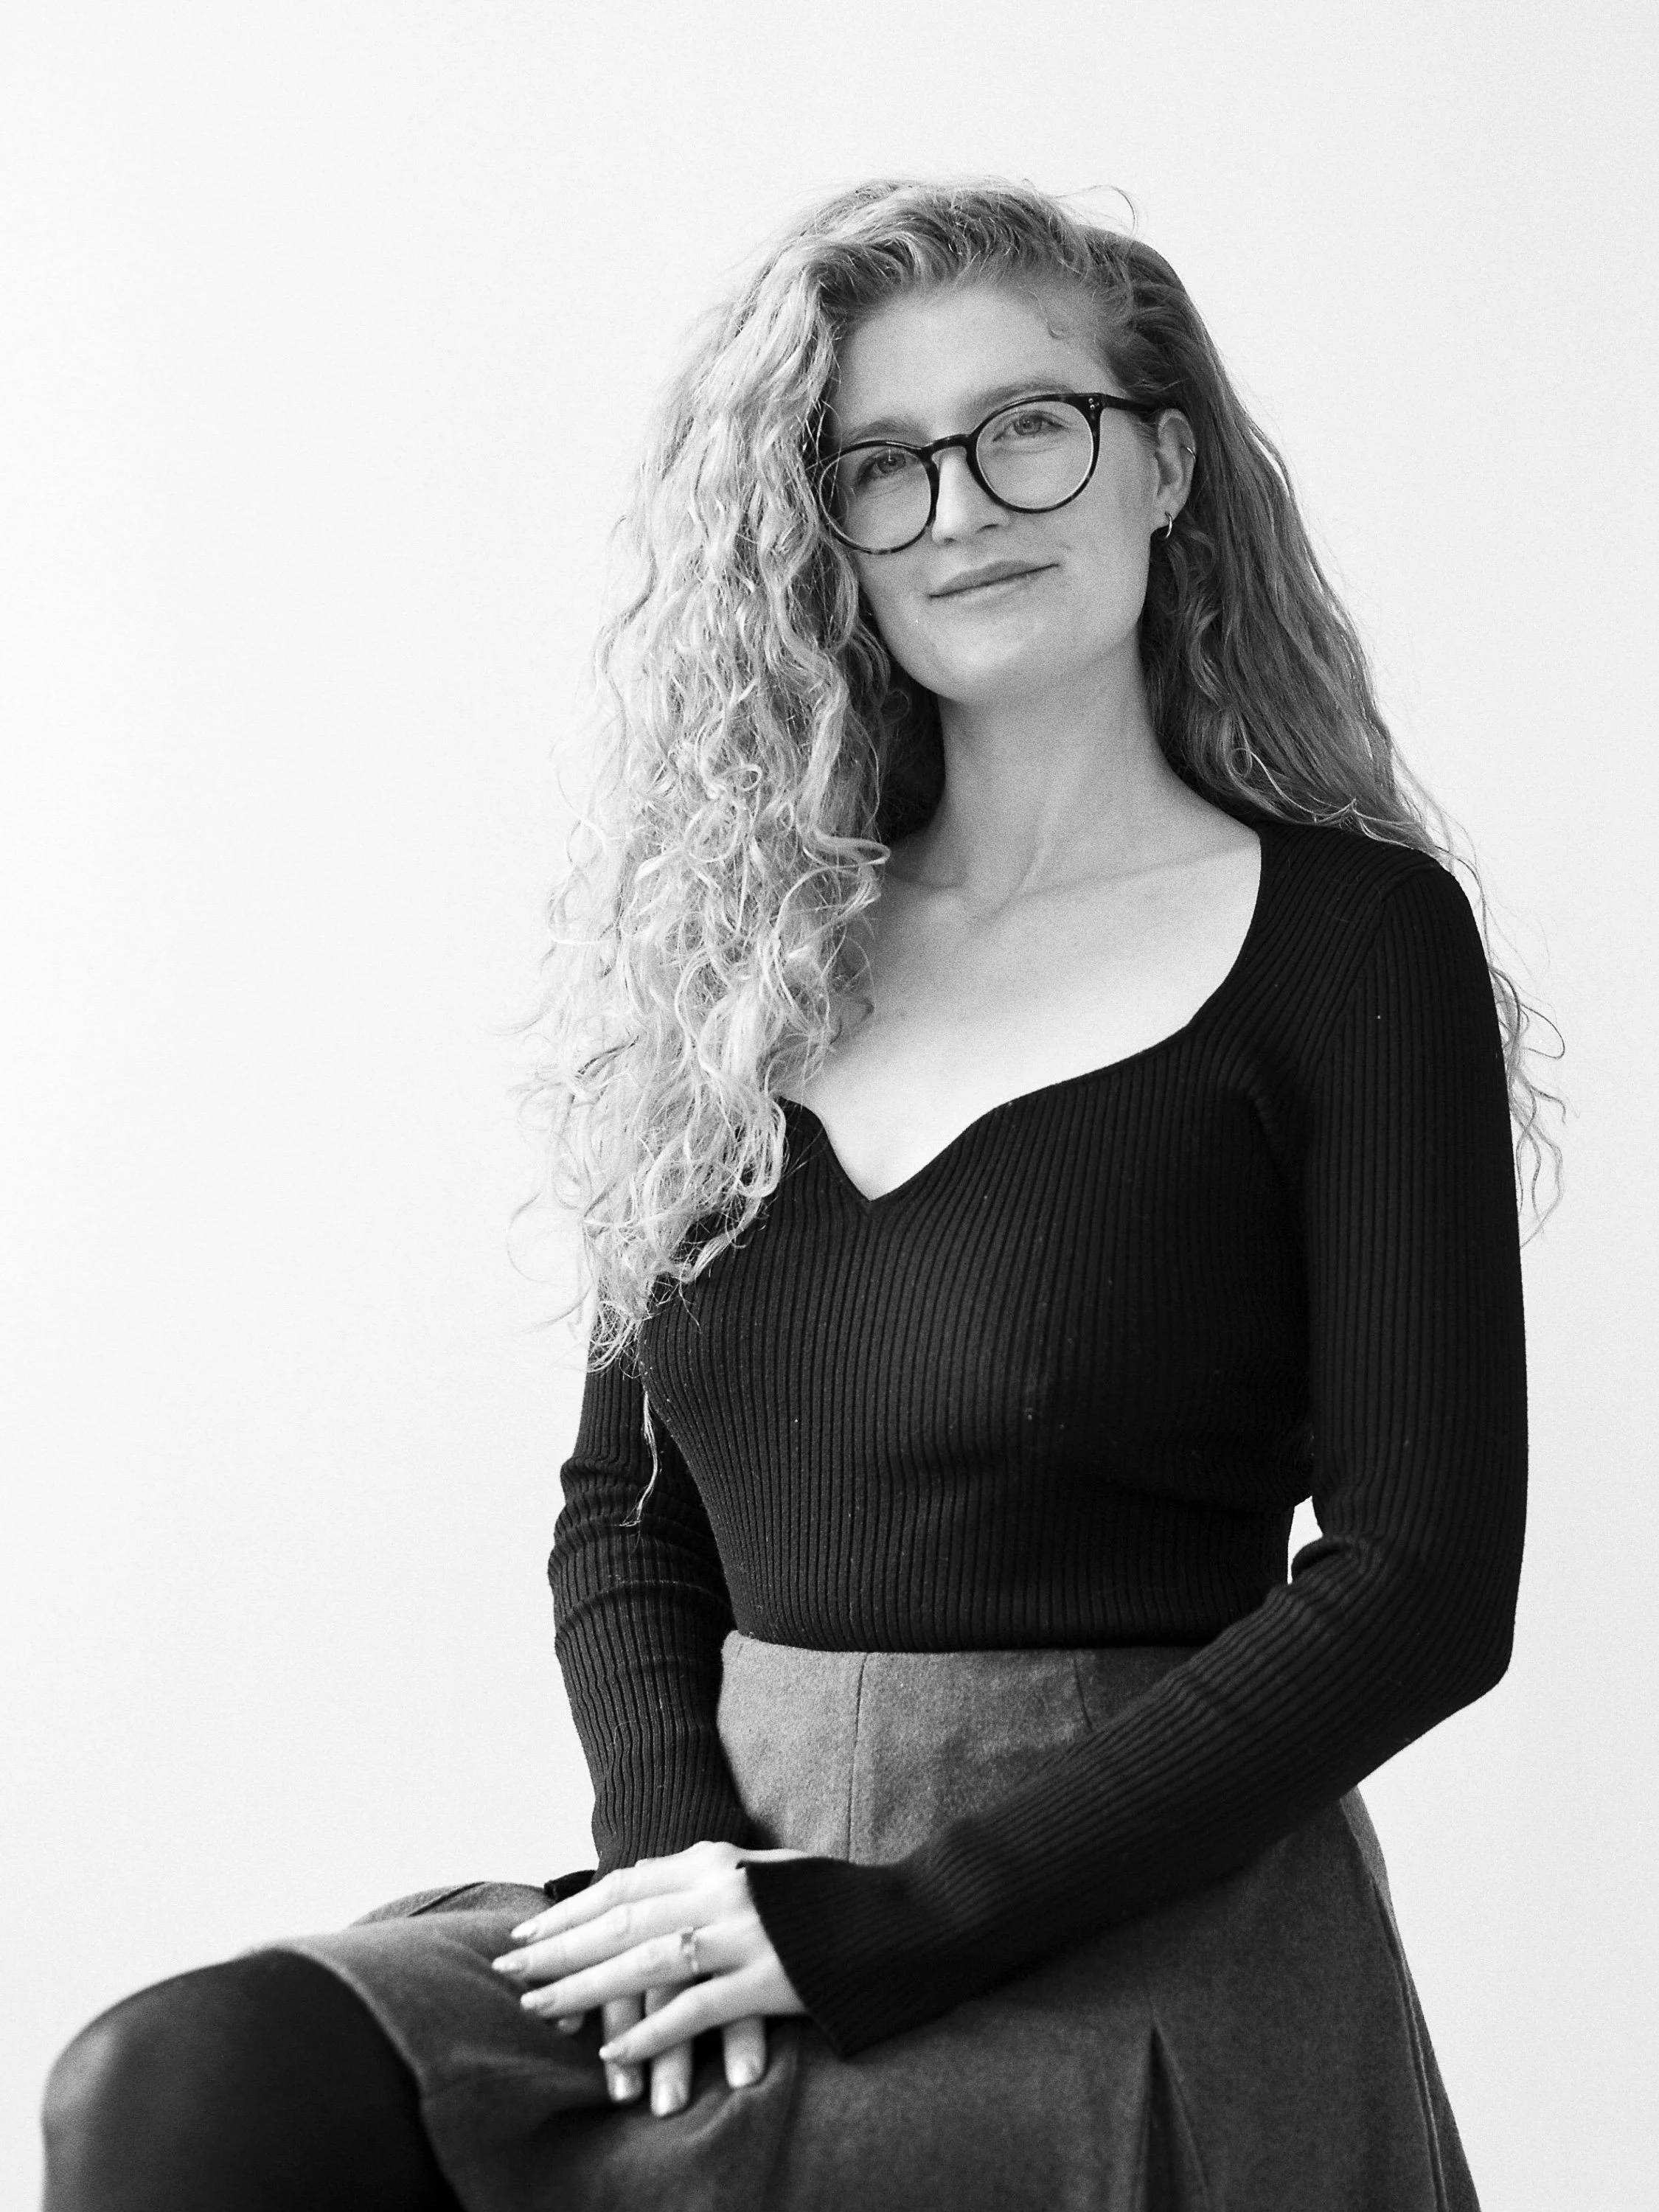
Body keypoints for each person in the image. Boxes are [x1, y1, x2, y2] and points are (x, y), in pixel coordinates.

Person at [41, 174, 1548, 2212]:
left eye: (1030, 428)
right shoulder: (751, 962)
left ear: (1167, 461)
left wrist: (898, 1922)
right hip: (734, 1885)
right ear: (819, 529)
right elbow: (626, 1507)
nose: (963, 508)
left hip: (1130, 1910)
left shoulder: (1352, 944)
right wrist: (685, 1862)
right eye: (881, 465)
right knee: (182, 2090)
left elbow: (1421, 1584)